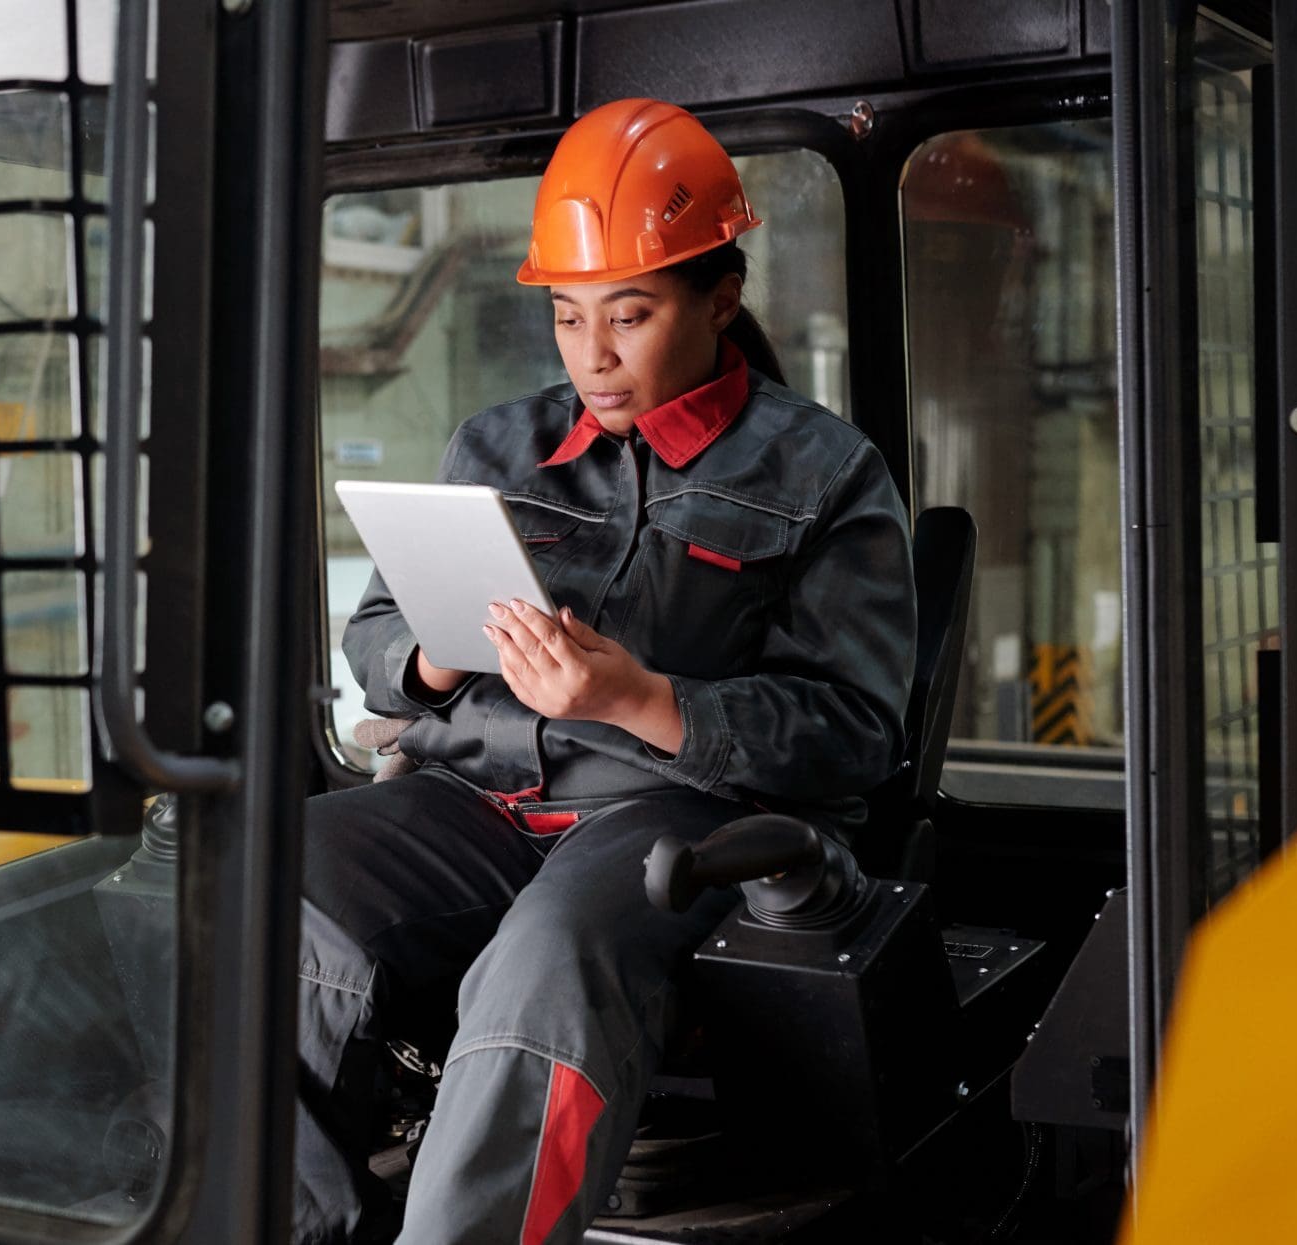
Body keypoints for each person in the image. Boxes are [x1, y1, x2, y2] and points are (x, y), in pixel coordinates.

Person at [294, 99, 916, 1245]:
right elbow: (377, 645)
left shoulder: (825, 473)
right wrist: (430, 654)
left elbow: (855, 733)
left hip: (671, 812)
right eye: (569, 318)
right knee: (260, 895)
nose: (593, 355)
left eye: (628, 315)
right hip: (467, 798)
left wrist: (638, 700)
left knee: (550, 966)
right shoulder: (493, 446)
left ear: (719, 297)